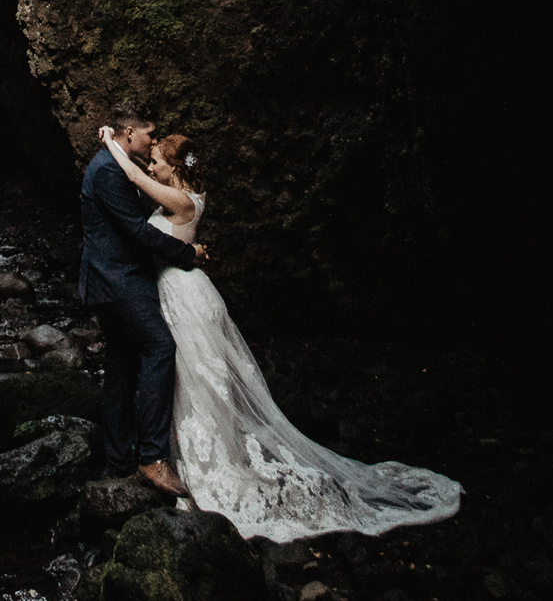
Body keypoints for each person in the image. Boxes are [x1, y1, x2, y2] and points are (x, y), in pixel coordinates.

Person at [99, 124, 466, 541]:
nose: (152, 165)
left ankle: (213, 466)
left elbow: (133, 178)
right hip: (175, 292)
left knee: (200, 379)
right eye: (152, 161)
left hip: (186, 297)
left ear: (175, 168)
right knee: (186, 378)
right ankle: (184, 459)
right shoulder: (186, 198)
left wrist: (111, 141)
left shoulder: (182, 201)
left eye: (158, 162)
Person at [79, 111, 210, 498]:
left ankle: (119, 461)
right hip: (117, 279)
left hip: (117, 278)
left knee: (122, 364)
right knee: (159, 347)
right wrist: (187, 254)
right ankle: (152, 458)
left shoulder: (118, 161)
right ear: (130, 133)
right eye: (149, 136)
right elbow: (137, 231)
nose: (153, 143)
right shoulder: (108, 170)